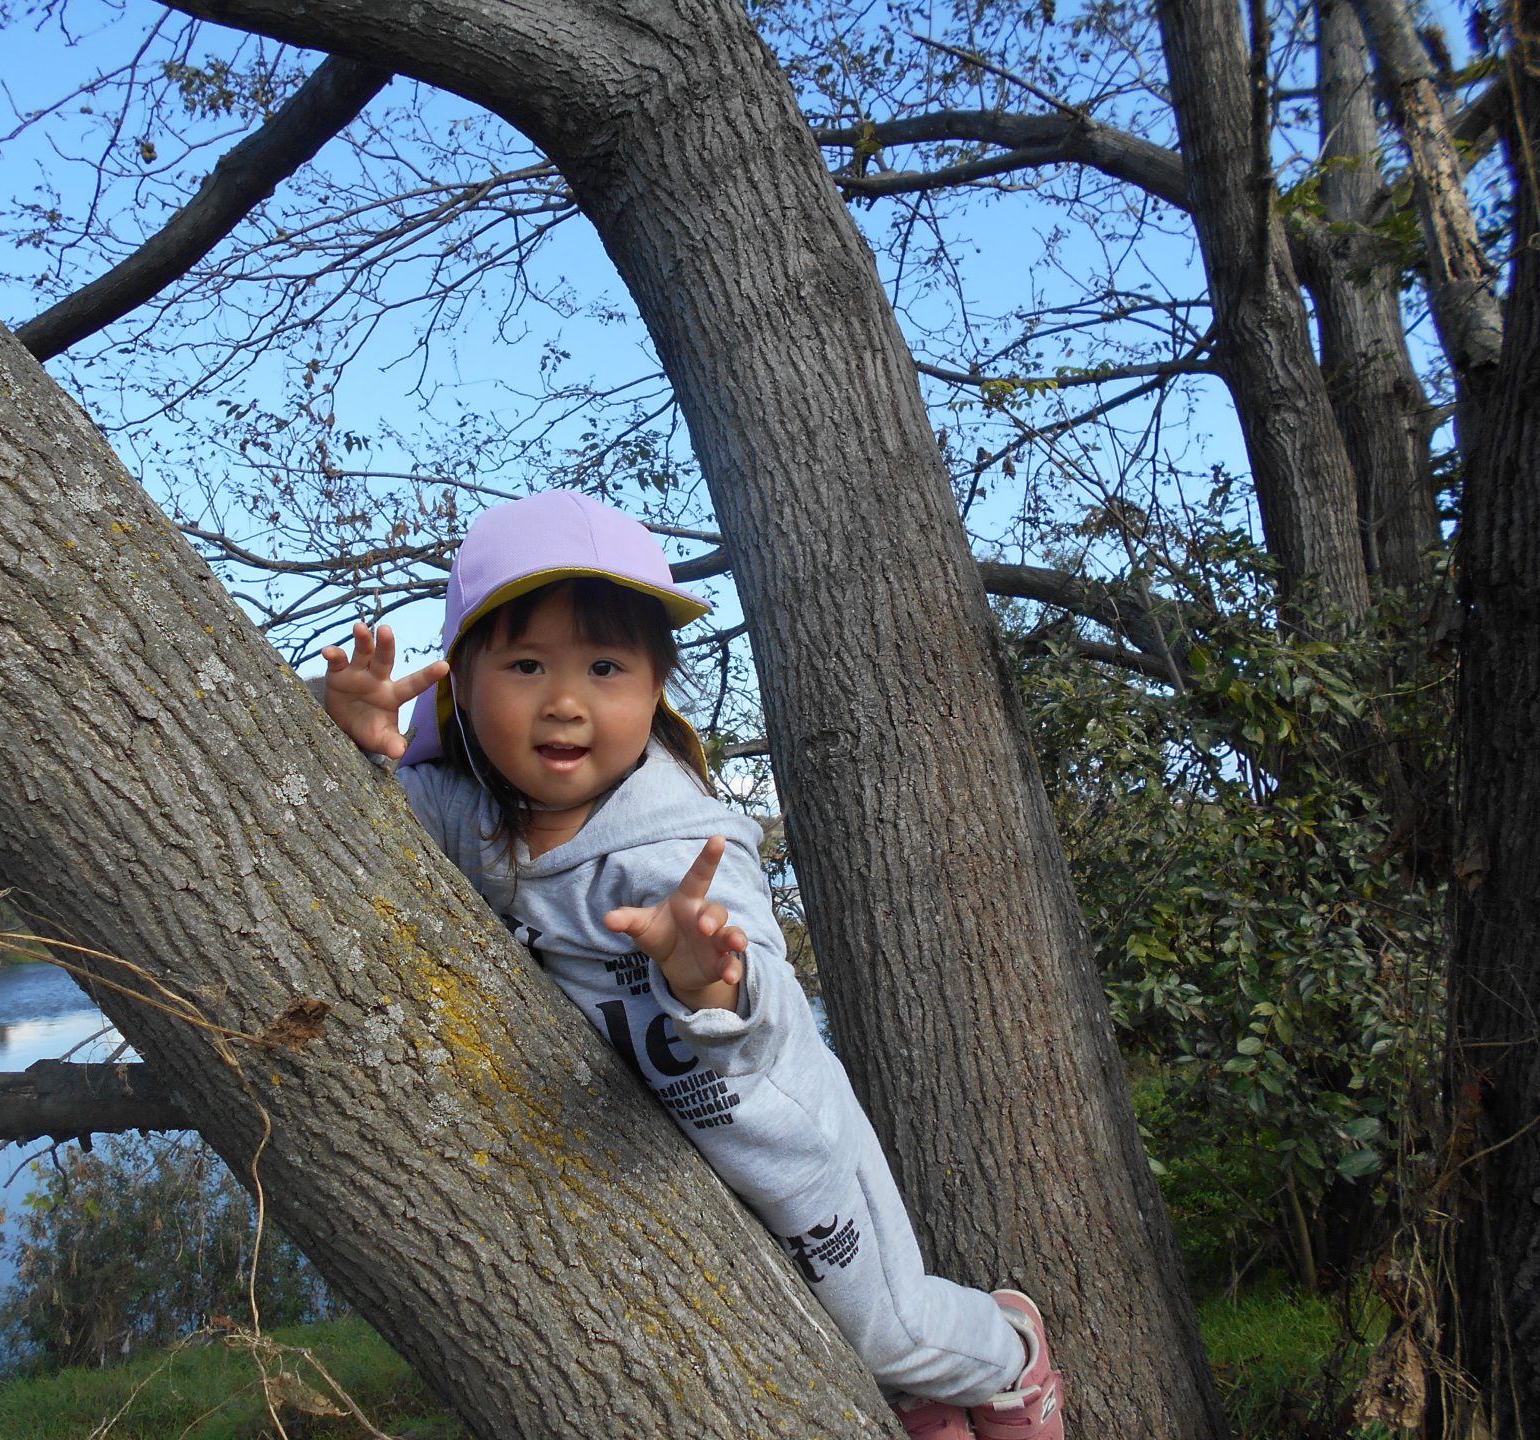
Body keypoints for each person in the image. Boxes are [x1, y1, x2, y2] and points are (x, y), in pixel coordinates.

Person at [320, 489, 1064, 1439]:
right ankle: (925, 1401)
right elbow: (371, 809)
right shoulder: (481, 817)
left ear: (655, 685)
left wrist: (703, 972)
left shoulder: (680, 846)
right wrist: (344, 729)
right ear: (460, 684)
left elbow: (756, 992)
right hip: (675, 1160)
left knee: (888, 1331)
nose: (565, 700)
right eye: (526, 664)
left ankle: (1009, 1359)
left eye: (605, 666)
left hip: (784, 1147)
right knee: (836, 1342)